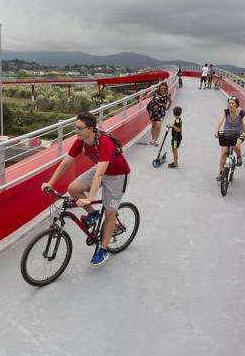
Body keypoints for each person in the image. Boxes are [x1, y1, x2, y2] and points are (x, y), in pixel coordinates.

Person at [41, 112, 131, 265]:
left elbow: (100, 175)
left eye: (79, 128)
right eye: (75, 127)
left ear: (91, 129)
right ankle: (94, 213)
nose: (76, 131)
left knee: (110, 214)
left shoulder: (105, 143)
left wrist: (89, 198)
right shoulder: (81, 141)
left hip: (117, 176)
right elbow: (65, 163)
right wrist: (50, 182)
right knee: (73, 188)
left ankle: (103, 250)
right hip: (100, 170)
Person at [213, 96, 245, 181]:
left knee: (235, 145)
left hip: (239, 133)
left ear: (237, 104)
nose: (230, 105)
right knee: (223, 153)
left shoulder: (241, 112)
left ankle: (239, 156)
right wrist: (216, 131)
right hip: (227, 133)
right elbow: (220, 121)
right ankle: (221, 172)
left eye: (232, 103)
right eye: (229, 103)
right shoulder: (226, 112)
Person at [144, 82, 172, 146]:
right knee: (153, 125)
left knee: (158, 125)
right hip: (153, 110)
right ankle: (153, 139)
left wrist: (168, 108)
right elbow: (147, 96)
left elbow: (170, 101)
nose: (163, 89)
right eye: (162, 88)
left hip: (161, 112)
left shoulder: (168, 94)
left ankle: (156, 140)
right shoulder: (156, 92)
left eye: (164, 88)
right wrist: (153, 90)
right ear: (159, 87)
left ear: (166, 88)